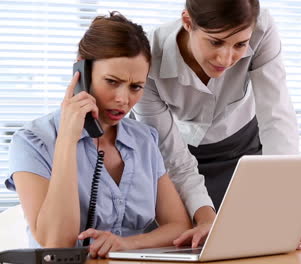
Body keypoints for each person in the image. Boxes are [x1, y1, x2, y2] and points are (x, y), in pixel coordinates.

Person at [132, 0, 301, 250]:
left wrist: (285, 225)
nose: (226, 58)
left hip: (242, 150)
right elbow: (171, 155)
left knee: (254, 246)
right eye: (215, 42)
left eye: (240, 44)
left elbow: (276, 117)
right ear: (188, 22)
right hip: (178, 153)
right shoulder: (149, 57)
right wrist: (206, 217)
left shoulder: (261, 28)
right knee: (182, 245)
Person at [5, 12, 191, 258]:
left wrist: (127, 244)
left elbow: (179, 226)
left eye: (136, 87)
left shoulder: (144, 140)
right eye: (112, 81)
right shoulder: (32, 141)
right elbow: (56, 243)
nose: (123, 100)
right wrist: (67, 140)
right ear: (81, 69)